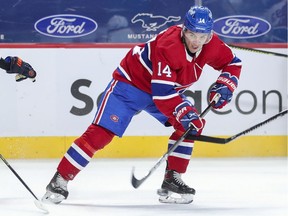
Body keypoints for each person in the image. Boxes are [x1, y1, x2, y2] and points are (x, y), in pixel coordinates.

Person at [42, 6, 242, 204]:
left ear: (209, 35)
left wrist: (225, 84)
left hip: (165, 91)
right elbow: (162, 94)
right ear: (184, 30)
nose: (196, 41)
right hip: (130, 86)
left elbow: (233, 63)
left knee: (189, 127)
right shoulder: (169, 46)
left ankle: (172, 179)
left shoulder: (211, 43)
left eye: (202, 36)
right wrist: (183, 110)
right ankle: (60, 179)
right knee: (101, 133)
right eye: (192, 34)